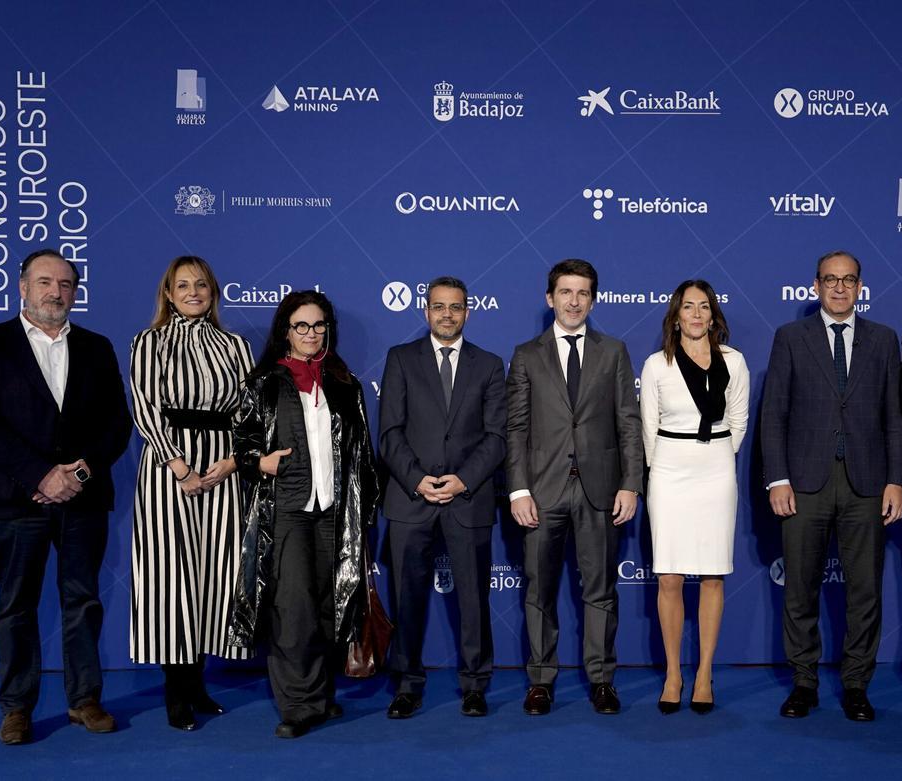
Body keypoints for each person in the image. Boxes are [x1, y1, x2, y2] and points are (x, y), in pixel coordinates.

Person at [0, 249, 132, 745]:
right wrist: (40, 476)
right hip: (15, 499)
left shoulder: (98, 347)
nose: (55, 292)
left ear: (75, 291)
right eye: (44, 282)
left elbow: (116, 423)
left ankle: (84, 700)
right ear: (22, 287)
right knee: (16, 606)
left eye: (65, 284)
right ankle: (17, 708)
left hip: (83, 497)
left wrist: (77, 472)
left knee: (82, 600)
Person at [760, 250, 902, 722]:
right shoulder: (790, 337)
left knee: (865, 591)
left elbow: (895, 419)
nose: (839, 288)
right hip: (804, 483)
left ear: (860, 286)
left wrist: (896, 481)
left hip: (867, 483)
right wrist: (777, 479)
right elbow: (773, 415)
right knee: (800, 588)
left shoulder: (884, 340)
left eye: (848, 280)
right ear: (816, 286)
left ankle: (857, 684)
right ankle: (803, 682)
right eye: (830, 280)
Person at [227, 290, 380, 738]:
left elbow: (363, 452)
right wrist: (260, 461)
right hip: (288, 511)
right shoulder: (265, 382)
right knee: (292, 610)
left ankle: (322, 694)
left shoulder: (343, 382)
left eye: (318, 326)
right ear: (285, 331)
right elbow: (242, 441)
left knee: (332, 605)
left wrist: (365, 510)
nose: (311, 334)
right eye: (302, 326)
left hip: (335, 512)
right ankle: (298, 707)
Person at [506, 258, 645, 716]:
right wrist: (518, 489)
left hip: (600, 490)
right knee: (538, 591)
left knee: (601, 590)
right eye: (565, 292)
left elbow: (628, 422)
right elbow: (517, 430)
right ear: (550, 299)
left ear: (593, 299)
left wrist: (630, 484)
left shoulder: (614, 351)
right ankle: (540, 681)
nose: (573, 301)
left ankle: (602, 679)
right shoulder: (526, 354)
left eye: (583, 293)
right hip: (541, 493)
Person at [128, 256, 255, 730]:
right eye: (183, 285)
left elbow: (247, 410)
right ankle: (175, 690)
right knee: (171, 578)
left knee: (215, 577)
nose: (193, 292)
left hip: (224, 468)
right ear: (167, 293)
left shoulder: (235, 345)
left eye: (201, 284)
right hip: (168, 469)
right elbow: (144, 405)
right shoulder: (149, 341)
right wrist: (178, 466)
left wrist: (233, 460)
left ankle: (198, 683)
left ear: (213, 291)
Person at [379, 276, 507, 719]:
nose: (447, 314)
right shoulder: (400, 359)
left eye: (455, 307)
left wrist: (462, 480)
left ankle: (475, 685)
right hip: (410, 498)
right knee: (407, 598)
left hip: (467, 498)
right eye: (438, 307)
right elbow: (390, 432)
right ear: (426, 310)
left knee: (472, 600)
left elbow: (496, 437)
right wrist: (417, 480)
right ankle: (407, 685)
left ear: (467, 312)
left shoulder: (490, 364)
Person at [640, 280, 748, 715]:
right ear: (676, 315)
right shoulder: (656, 365)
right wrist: (666, 464)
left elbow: (738, 420)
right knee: (669, 576)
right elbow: (647, 428)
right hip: (668, 469)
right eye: (689, 307)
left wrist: (718, 452)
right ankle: (673, 673)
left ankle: (704, 673)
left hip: (717, 469)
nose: (697, 314)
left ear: (713, 314)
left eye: (705, 306)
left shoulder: (734, 361)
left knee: (713, 575)